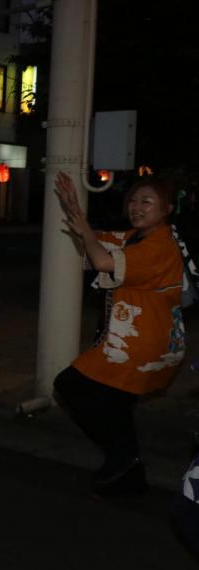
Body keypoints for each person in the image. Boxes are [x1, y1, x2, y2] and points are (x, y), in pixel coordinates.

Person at [53, 173, 186, 497]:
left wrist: (84, 228)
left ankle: (123, 458)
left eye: (147, 201)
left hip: (139, 345)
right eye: (133, 200)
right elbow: (93, 246)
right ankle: (128, 475)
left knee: (70, 385)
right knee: (115, 403)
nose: (137, 207)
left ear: (167, 208)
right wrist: (77, 218)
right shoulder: (135, 237)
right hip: (139, 339)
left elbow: (101, 260)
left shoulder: (159, 245)